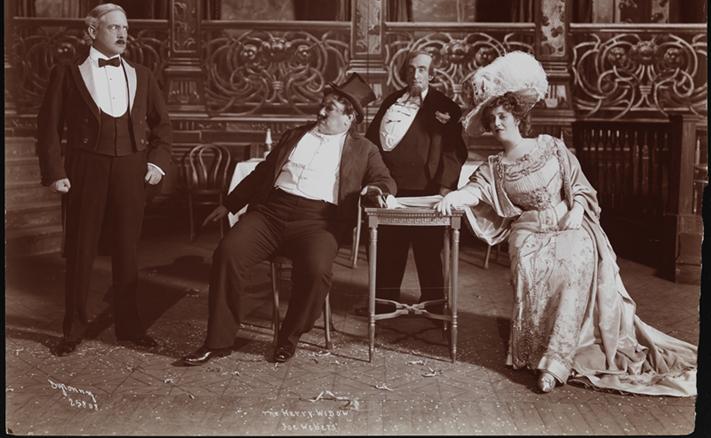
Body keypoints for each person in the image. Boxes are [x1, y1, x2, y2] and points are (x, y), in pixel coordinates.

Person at [435, 51, 697, 396]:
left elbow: (581, 187)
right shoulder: (494, 166)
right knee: (532, 268)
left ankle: (556, 363)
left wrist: (577, 209)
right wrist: (455, 197)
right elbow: (475, 191)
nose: (497, 123)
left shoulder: (551, 147)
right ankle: (536, 353)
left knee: (572, 265)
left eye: (503, 115)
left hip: (570, 226)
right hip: (529, 235)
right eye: (492, 118)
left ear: (517, 116)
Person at [181, 74, 396, 366]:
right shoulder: (295, 135)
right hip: (270, 214)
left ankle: (289, 337)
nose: (321, 111)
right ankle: (217, 341)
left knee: (317, 271)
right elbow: (263, 171)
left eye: (330, 108)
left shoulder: (364, 149)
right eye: (322, 105)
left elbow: (385, 180)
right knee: (228, 253)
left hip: (319, 222)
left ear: (349, 118)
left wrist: (375, 190)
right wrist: (230, 203)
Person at [37, 3, 172, 356]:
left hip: (132, 168)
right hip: (86, 168)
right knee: (81, 248)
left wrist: (157, 163)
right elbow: (49, 127)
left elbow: (163, 126)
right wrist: (55, 172)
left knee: (127, 249)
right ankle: (73, 329)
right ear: (92, 31)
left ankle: (130, 326)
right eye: (114, 27)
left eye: (125, 28)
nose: (122, 33)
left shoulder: (142, 74)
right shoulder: (68, 72)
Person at [364, 50, 467, 312]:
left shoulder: (445, 106)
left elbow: (454, 151)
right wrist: (375, 180)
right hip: (390, 188)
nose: (415, 74)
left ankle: (435, 305)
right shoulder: (392, 100)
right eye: (411, 69)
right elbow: (372, 141)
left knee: (428, 250)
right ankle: (383, 304)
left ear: (431, 74)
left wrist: (445, 188)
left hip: (427, 190)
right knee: (388, 249)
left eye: (421, 69)